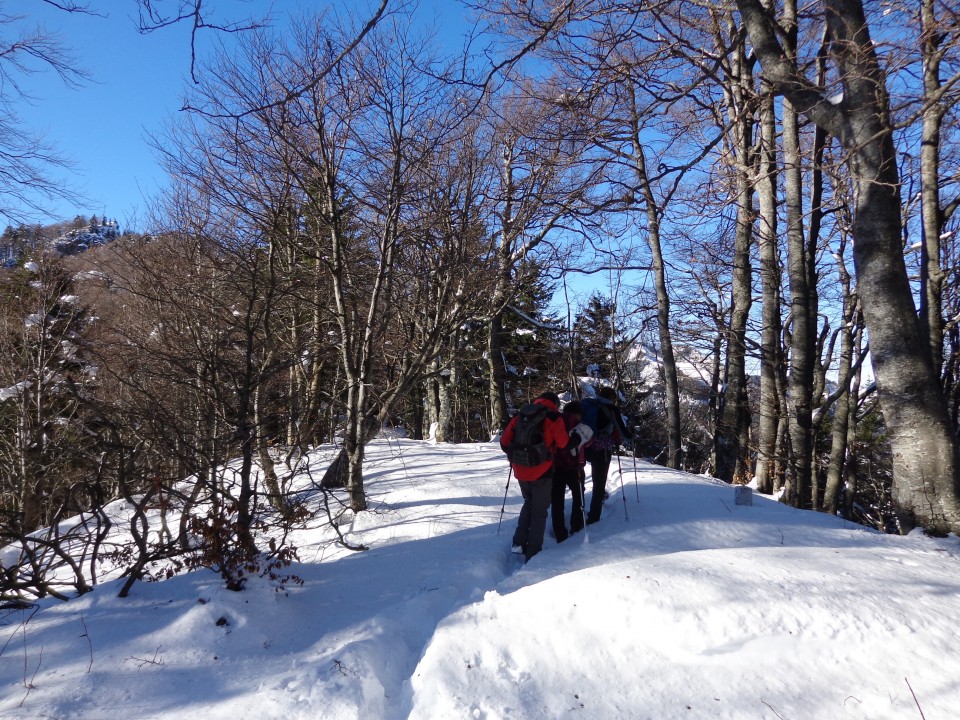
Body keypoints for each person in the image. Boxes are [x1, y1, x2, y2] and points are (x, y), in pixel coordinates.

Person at [500, 391, 579, 561]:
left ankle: (518, 542)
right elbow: (564, 443)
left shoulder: (521, 415)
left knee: (529, 502)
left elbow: (504, 442)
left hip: (520, 470)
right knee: (539, 511)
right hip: (542, 471)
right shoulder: (553, 418)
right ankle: (533, 552)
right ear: (555, 403)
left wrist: (518, 457)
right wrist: (577, 439)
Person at [585, 386, 632, 524]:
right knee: (599, 481)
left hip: (587, 446)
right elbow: (622, 431)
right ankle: (594, 517)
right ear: (611, 398)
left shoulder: (590, 404)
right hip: (603, 448)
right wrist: (631, 436)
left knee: (593, 477)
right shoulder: (611, 408)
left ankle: (579, 511)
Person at [551, 400, 590, 542]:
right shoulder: (581, 426)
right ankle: (577, 526)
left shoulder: (555, 421)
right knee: (578, 497)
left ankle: (559, 532)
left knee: (557, 501)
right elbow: (589, 441)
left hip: (556, 468)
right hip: (575, 468)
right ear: (578, 413)